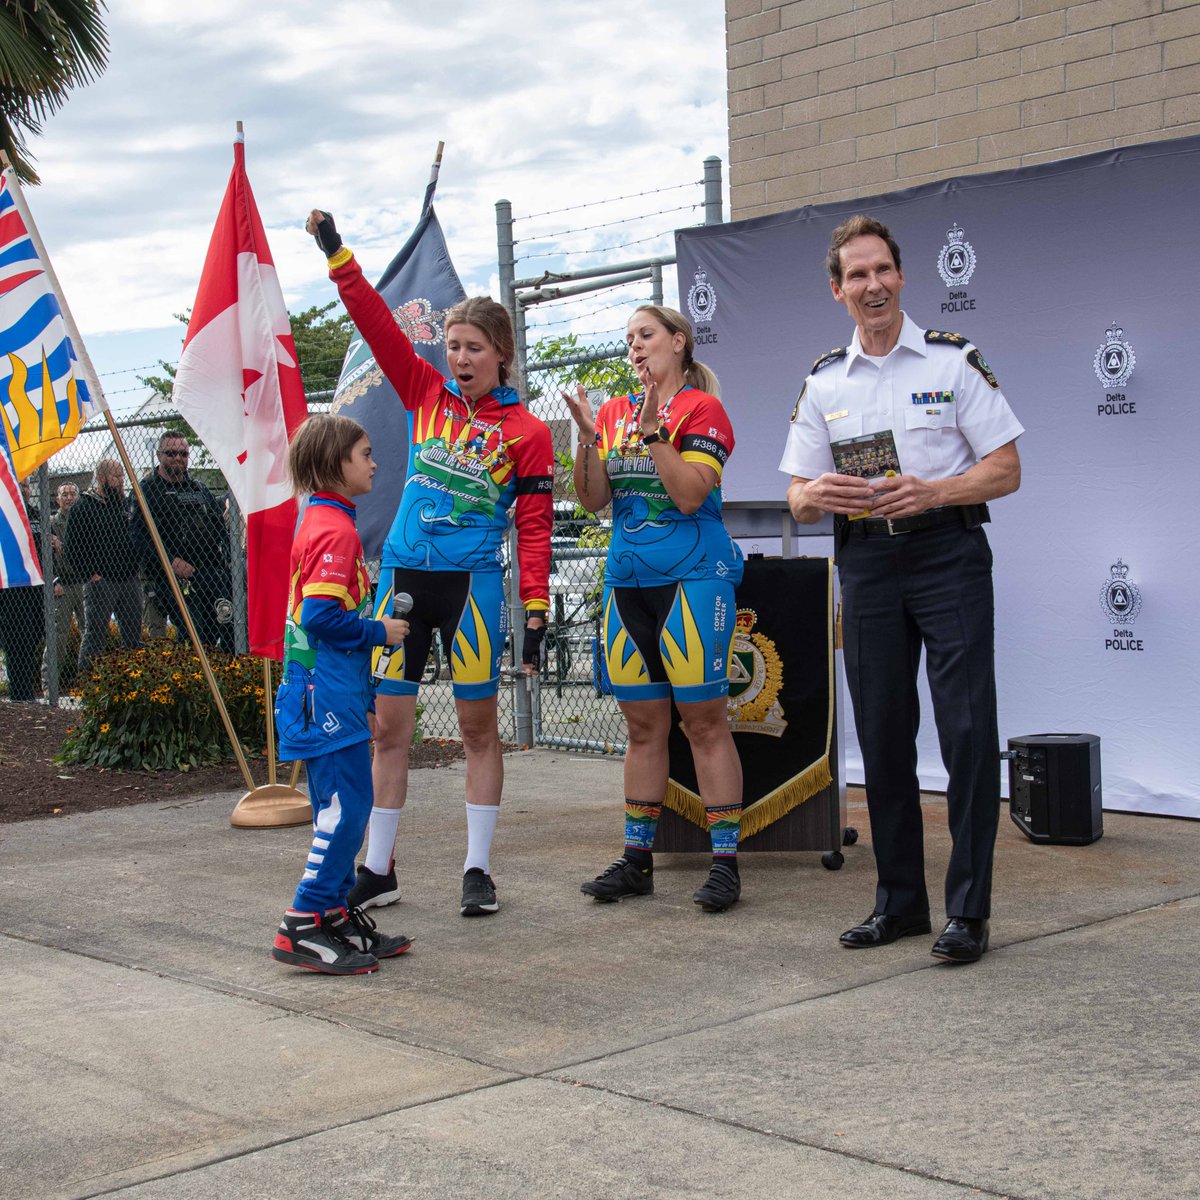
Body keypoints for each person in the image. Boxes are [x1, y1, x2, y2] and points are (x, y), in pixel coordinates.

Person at [779, 214, 1023, 964]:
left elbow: (1006, 469)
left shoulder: (952, 361)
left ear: (902, 276)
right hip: (867, 566)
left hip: (946, 554)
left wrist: (937, 492)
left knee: (968, 734)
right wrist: (820, 492)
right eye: (857, 275)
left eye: (882, 270)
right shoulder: (824, 379)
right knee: (883, 736)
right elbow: (795, 497)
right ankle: (900, 904)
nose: (872, 285)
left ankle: (968, 912)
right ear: (837, 290)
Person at [306, 209, 553, 918]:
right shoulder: (423, 393)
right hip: (403, 584)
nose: (462, 358)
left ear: (502, 352)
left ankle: (478, 869)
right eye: (453, 345)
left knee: (478, 729)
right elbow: (376, 322)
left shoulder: (528, 434)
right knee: (389, 729)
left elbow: (533, 530)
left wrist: (535, 610)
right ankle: (377, 867)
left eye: (474, 347)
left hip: (472, 587)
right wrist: (337, 254)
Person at [564, 305, 745, 912]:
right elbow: (591, 501)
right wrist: (589, 439)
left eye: (645, 336)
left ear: (678, 342)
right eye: (628, 341)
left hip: (694, 579)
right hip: (627, 584)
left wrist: (653, 434)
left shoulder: (703, 409)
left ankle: (725, 866)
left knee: (703, 723)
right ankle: (637, 861)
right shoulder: (614, 413)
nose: (635, 349)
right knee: (643, 727)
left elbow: (691, 495)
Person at [271, 414, 413, 974]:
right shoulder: (335, 530)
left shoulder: (324, 520)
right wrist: (381, 631)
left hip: (331, 693)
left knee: (347, 806)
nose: (374, 463)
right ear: (335, 466)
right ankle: (302, 923)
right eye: (364, 454)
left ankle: (331, 914)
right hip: (322, 697)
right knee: (345, 809)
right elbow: (321, 615)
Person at [130, 432, 233, 652]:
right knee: (192, 629)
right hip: (171, 576)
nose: (178, 458)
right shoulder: (146, 490)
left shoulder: (198, 488)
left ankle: (223, 674)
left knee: (224, 622)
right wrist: (170, 561)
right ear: (159, 455)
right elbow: (138, 536)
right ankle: (189, 672)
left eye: (183, 453)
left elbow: (218, 525)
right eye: (171, 453)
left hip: (209, 571)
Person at [62, 460, 143, 680]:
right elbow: (72, 548)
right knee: (95, 634)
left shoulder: (126, 505)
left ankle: (134, 682)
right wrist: (90, 574)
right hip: (101, 581)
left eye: (121, 477)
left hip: (128, 579)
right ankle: (87, 682)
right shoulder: (84, 506)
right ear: (101, 478)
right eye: (116, 477)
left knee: (133, 635)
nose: (120, 481)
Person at [0, 476, 46, 703]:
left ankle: (27, 690)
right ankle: (20, 694)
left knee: (34, 634)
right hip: (13, 586)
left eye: (27, 486)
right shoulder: (6, 515)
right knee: (16, 639)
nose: (25, 489)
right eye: (21, 485)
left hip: (35, 584)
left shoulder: (35, 514)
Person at [45, 482, 85, 690]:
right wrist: (54, 581)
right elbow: (48, 556)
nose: (69, 498)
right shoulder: (51, 523)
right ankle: (49, 684)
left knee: (89, 632)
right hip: (63, 585)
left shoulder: (84, 520)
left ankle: (88, 681)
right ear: (57, 499)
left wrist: (63, 547)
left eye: (72, 494)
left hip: (84, 582)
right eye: (64, 495)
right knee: (59, 635)